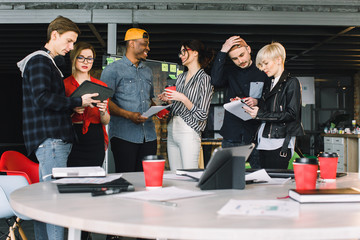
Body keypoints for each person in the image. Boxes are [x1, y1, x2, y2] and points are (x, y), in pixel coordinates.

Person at [17, 16, 99, 240]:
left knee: (47, 201)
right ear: (54, 35)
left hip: (48, 139)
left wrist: (71, 109)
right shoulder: (40, 61)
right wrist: (77, 102)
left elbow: (44, 101)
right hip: (52, 140)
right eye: (69, 41)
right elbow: (43, 98)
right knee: (56, 202)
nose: (71, 47)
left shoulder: (44, 63)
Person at [100, 28, 157, 174]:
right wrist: (129, 115)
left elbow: (149, 100)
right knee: (127, 179)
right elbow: (104, 101)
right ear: (131, 44)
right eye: (144, 44)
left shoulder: (147, 71)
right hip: (124, 136)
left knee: (148, 180)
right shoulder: (112, 70)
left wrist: (159, 108)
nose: (148, 48)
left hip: (149, 136)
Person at [243, 42, 305, 169]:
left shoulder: (291, 82)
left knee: (275, 183)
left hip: (279, 142)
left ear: (278, 60)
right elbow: (270, 109)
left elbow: (291, 114)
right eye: (261, 65)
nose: (263, 68)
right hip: (263, 141)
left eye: (266, 63)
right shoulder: (269, 84)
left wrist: (259, 114)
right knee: (265, 183)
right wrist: (254, 103)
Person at [211, 36, 269, 168]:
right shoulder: (229, 72)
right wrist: (223, 51)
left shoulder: (263, 71)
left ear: (248, 49)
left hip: (256, 134)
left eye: (242, 55)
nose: (240, 61)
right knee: (230, 176)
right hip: (232, 133)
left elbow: (271, 100)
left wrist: (257, 101)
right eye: (235, 59)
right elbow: (214, 81)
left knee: (258, 177)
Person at [158, 40, 214, 170]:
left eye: (184, 51)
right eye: (180, 52)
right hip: (172, 129)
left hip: (189, 131)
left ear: (195, 53)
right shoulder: (181, 78)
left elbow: (202, 114)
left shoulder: (204, 79)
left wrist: (183, 98)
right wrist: (169, 100)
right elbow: (178, 107)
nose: (181, 55)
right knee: (174, 175)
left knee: (189, 175)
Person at [64, 42, 110, 168]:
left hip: (95, 138)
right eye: (81, 57)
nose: (86, 62)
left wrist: (103, 111)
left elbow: (106, 121)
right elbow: (56, 116)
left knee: (94, 179)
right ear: (74, 58)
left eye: (89, 59)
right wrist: (72, 109)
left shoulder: (101, 86)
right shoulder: (64, 84)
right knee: (72, 179)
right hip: (72, 136)